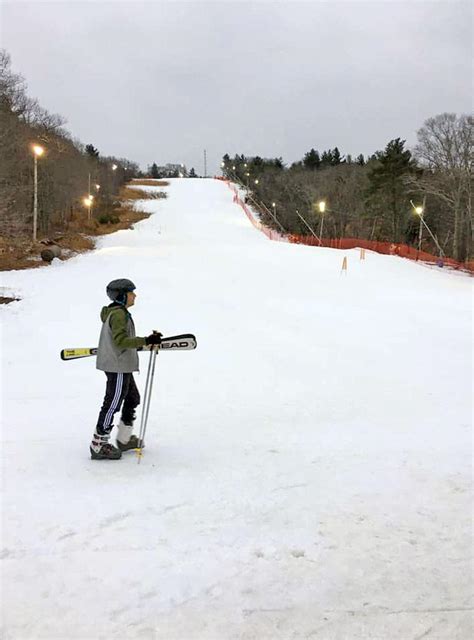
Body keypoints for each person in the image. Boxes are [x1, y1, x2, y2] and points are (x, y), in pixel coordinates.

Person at [90, 278, 162, 460]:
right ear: (122, 296)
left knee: (132, 398)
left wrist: (146, 342)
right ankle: (99, 444)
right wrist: (145, 341)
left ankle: (123, 438)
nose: (135, 295)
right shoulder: (119, 315)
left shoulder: (118, 313)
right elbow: (120, 341)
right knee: (113, 403)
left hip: (123, 364)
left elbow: (122, 340)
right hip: (118, 367)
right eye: (131, 293)